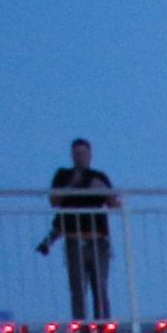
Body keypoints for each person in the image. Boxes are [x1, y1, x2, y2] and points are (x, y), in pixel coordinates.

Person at [38, 138, 121, 323]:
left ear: (90, 155)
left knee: (100, 288)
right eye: (76, 153)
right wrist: (72, 185)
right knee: (78, 289)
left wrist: (104, 192)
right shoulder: (63, 175)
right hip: (75, 240)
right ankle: (81, 326)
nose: (80, 157)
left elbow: (115, 204)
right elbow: (53, 201)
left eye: (83, 153)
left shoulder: (99, 177)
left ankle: (102, 326)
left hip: (98, 240)